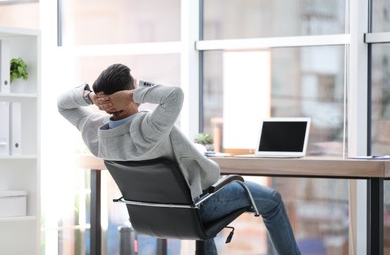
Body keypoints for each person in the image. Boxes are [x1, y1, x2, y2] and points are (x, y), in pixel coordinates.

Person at [57, 63, 301, 254]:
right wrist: (133, 94)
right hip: (198, 206)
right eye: (134, 86)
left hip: (156, 214)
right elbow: (174, 94)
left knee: (203, 225)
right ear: (128, 94)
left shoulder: (94, 132)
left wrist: (91, 98)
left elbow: (62, 104)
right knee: (272, 200)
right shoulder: (148, 127)